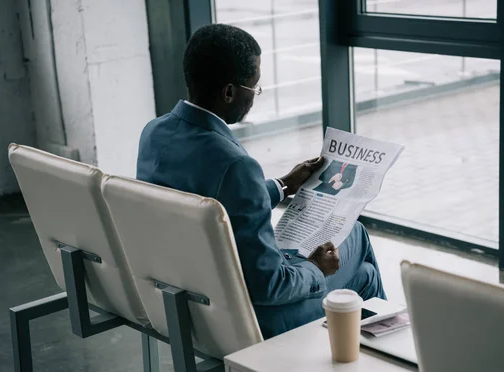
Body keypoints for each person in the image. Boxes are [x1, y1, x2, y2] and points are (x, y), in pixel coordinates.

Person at [136, 24, 386, 339]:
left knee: (363, 274)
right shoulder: (236, 165)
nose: (255, 96)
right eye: (254, 87)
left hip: (188, 302)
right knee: (359, 243)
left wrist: (282, 185)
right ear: (229, 92)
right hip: (250, 319)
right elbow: (270, 286)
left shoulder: (153, 134)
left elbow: (213, 202)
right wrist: (315, 269)